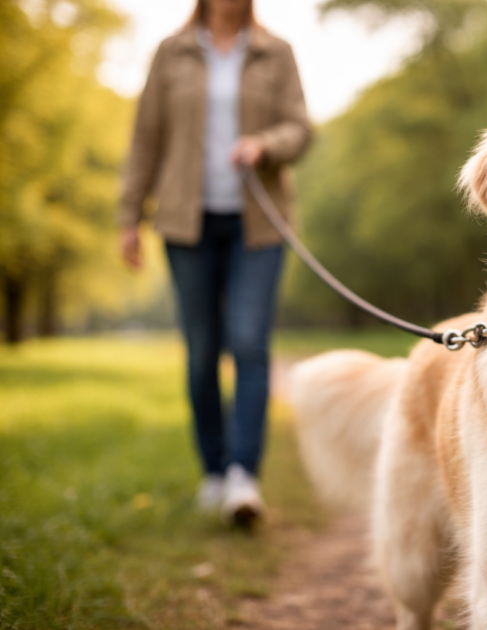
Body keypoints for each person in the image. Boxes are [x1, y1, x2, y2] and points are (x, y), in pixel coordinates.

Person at [119, 0, 311, 526]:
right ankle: (213, 470)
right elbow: (145, 140)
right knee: (203, 350)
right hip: (186, 223)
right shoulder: (171, 52)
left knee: (249, 341)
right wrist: (128, 216)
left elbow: (301, 129)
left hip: (258, 224)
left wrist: (264, 144)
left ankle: (243, 475)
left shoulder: (277, 52)